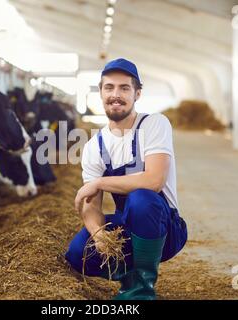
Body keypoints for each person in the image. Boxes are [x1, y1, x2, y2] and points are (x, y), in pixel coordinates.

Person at [65, 58, 188, 300]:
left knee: (142, 199)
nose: (115, 95)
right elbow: (91, 207)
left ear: (137, 93)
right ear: (100, 92)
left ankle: (141, 290)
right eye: (109, 87)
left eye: (124, 88)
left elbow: (154, 181)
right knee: (78, 253)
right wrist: (99, 235)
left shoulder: (154, 124)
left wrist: (99, 183)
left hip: (165, 228)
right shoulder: (94, 147)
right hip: (128, 226)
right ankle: (128, 277)